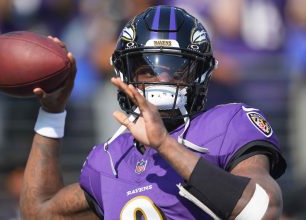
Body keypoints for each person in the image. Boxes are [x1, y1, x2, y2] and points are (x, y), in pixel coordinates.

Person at [20, 5, 287, 220]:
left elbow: (262, 209)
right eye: (146, 70)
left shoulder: (227, 124)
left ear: (200, 74)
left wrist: (165, 145)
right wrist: (52, 112)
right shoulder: (111, 158)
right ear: (125, 75)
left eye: (175, 68)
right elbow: (37, 213)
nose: (160, 78)